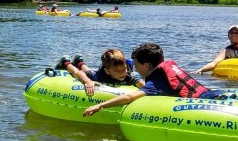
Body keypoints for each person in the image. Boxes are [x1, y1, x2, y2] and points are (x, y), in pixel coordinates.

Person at [83, 43, 232, 117]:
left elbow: (129, 97)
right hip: (216, 94)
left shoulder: (156, 82)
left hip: (212, 104)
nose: (134, 69)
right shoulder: (170, 68)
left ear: (146, 66)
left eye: (136, 65)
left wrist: (100, 105)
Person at [55, 49, 144, 95]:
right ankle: (66, 63)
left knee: (88, 71)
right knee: (78, 73)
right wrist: (88, 82)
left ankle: (79, 62)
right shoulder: (101, 74)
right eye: (117, 71)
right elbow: (80, 74)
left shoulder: (127, 74)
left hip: (125, 63)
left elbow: (140, 83)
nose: (122, 73)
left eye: (123, 69)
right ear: (108, 71)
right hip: (104, 70)